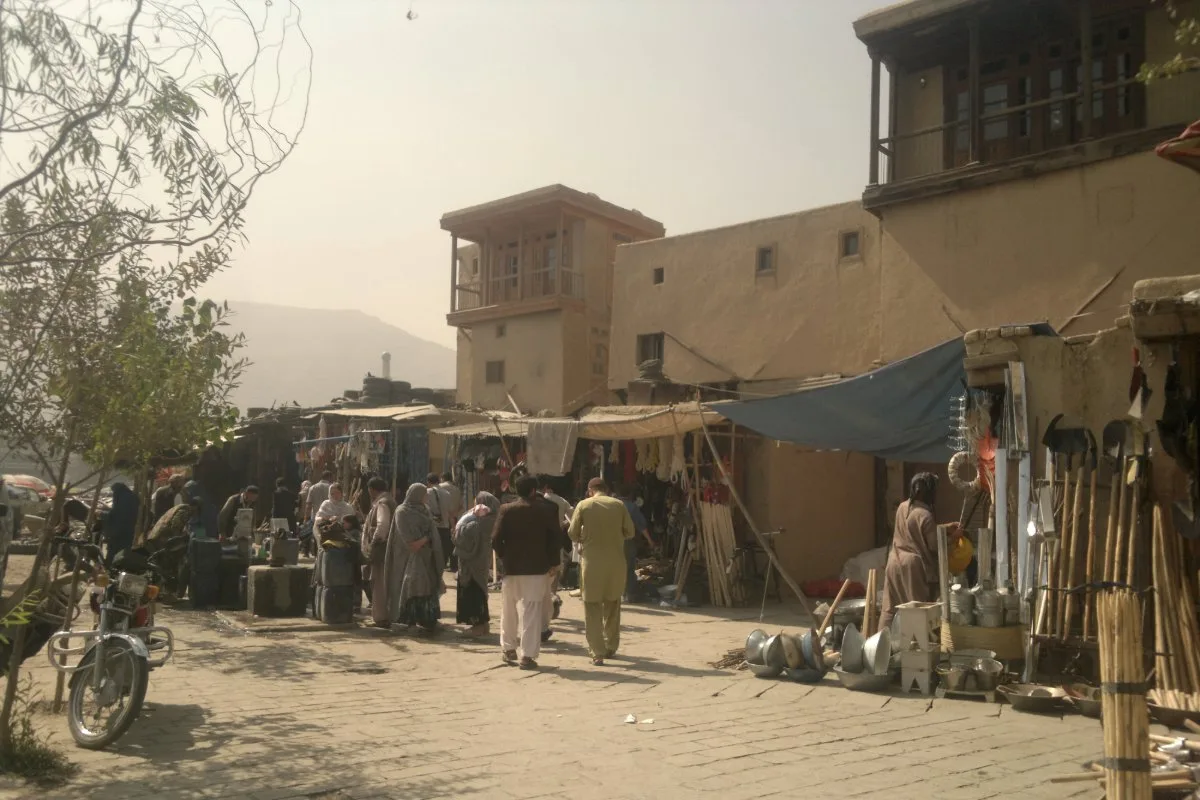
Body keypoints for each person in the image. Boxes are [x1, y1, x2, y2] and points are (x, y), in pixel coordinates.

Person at [492, 476, 562, 670]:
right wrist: (553, 563)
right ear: (533, 490)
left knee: (508, 610)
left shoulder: (506, 509)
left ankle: (508, 648)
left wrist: (504, 557)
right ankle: (527, 656)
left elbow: (495, 539)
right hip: (538, 568)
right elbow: (555, 539)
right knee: (532, 612)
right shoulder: (546, 510)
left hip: (511, 569)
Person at [879, 472, 961, 632]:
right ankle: (918, 644)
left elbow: (914, 529)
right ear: (929, 492)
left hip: (894, 562)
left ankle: (880, 641)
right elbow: (934, 546)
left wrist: (945, 528)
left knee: (889, 609)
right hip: (913, 566)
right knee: (917, 611)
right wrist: (953, 538)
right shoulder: (926, 515)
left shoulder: (902, 507)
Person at [568, 477, 634, 666]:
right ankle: (611, 647)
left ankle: (597, 652)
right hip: (616, 564)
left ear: (590, 490)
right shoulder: (619, 505)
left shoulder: (584, 505)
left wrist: (585, 537)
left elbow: (572, 533)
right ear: (606, 489)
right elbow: (630, 532)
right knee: (613, 606)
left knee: (592, 607)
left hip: (592, 565)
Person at [386, 483, 445, 634]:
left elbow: (432, 532)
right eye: (424, 495)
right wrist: (426, 538)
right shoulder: (402, 512)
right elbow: (410, 542)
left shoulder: (425, 510)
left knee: (428, 588)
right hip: (407, 558)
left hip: (427, 556)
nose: (426, 498)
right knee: (410, 588)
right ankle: (408, 621)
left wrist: (428, 541)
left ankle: (428, 619)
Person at [453, 491, 500, 637]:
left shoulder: (481, 521)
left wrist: (465, 521)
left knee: (474, 593)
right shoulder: (492, 519)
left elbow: (460, 535)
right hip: (482, 560)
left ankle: (478, 627)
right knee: (480, 591)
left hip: (472, 563)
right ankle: (483, 625)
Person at [360, 477, 395, 626]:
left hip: (381, 550)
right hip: (387, 549)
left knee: (378, 583)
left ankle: (381, 617)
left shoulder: (382, 503)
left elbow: (382, 526)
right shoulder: (389, 500)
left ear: (371, 489)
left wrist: (373, 543)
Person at [616, 484, 654, 603]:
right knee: (628, 567)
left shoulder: (611, 505)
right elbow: (641, 526)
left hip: (611, 541)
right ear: (630, 495)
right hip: (627, 541)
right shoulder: (632, 507)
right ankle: (628, 594)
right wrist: (650, 541)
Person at [103, 482, 139, 565]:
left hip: (118, 531)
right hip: (129, 530)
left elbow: (116, 514)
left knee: (113, 553)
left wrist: (102, 514)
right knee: (124, 552)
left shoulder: (120, 497)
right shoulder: (132, 496)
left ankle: (110, 567)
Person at [425, 473, 454, 574]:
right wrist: (453, 527)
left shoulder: (427, 492)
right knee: (442, 554)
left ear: (428, 482)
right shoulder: (447, 494)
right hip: (445, 527)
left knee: (431, 555)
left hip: (432, 527)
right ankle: (439, 575)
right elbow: (450, 513)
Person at [314, 482, 356, 547]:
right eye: (332, 494)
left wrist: (340, 521)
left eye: (337, 493)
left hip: (343, 537)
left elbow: (352, 523)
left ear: (341, 493)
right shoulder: (326, 504)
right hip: (326, 534)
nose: (335, 495)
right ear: (329, 494)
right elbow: (318, 519)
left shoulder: (347, 507)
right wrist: (327, 519)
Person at [438, 472, 463, 572]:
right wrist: (454, 514)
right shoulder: (457, 489)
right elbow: (461, 506)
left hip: (442, 519)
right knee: (453, 542)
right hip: (454, 518)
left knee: (442, 542)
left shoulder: (439, 488)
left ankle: (442, 563)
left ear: (442, 478)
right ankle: (454, 565)